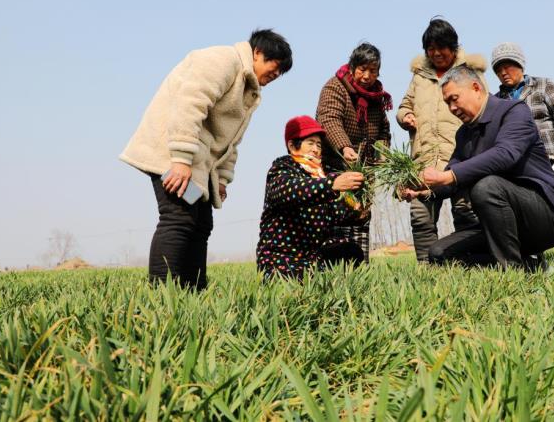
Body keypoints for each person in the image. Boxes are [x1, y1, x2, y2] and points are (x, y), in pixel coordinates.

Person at [120, 29, 292, 290]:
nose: (276, 75)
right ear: (257, 53)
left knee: (201, 223)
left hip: (195, 163)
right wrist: (179, 160)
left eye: (281, 73)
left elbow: (231, 140)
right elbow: (190, 104)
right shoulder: (223, 60)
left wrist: (221, 180)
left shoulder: (249, 91)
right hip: (172, 153)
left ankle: (193, 292)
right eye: (275, 66)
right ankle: (161, 295)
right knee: (178, 218)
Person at [402, 65, 554, 270]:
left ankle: (510, 272)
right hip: (500, 223)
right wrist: (424, 189)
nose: (452, 108)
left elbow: (505, 154)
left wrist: (448, 177)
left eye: (454, 99)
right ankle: (530, 266)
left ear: (476, 88)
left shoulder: (513, 111)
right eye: (447, 103)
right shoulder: (464, 134)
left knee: (486, 186)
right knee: (439, 254)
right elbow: (451, 180)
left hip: (546, 217)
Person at [396, 18, 482, 261]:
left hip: (460, 157)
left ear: (453, 47)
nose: (435, 53)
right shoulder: (420, 77)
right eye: (430, 49)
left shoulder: (468, 73)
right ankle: (427, 269)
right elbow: (404, 106)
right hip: (424, 158)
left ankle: (468, 263)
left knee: (465, 213)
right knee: (420, 216)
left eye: (440, 48)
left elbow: (481, 108)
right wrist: (406, 116)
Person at [491, 42, 554, 271]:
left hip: (553, 162)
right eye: (499, 69)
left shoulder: (543, 87)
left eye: (509, 66)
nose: (504, 72)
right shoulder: (497, 100)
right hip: (519, 168)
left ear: (520, 65)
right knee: (527, 217)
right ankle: (536, 265)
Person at [256, 116, 367, 280]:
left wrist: (356, 210)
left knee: (350, 250)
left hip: (314, 257)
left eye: (319, 145)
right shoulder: (282, 168)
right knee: (294, 289)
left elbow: (334, 212)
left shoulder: (322, 174)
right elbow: (289, 191)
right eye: (310, 143)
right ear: (293, 146)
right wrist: (331, 184)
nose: (315, 149)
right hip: (283, 256)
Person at [316, 43, 392, 262]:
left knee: (361, 217)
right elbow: (328, 118)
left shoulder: (377, 96)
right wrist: (345, 147)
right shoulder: (335, 87)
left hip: (364, 171)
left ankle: (360, 267)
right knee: (336, 218)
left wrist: (383, 155)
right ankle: (331, 268)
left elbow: (383, 131)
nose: (367, 75)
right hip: (335, 167)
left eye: (373, 70)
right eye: (362, 69)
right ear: (351, 67)